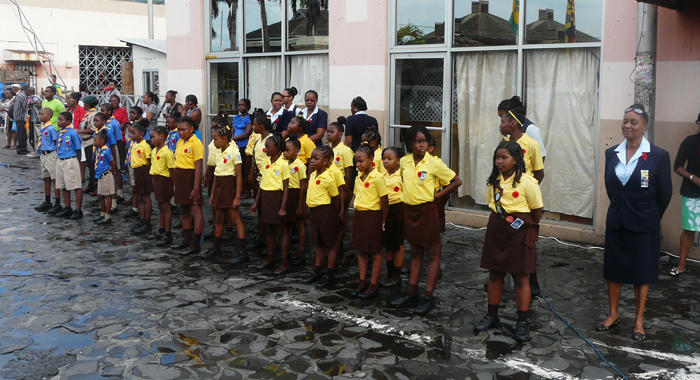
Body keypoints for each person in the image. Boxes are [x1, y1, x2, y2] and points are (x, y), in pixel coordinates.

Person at [598, 104, 672, 341]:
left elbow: (664, 194)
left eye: (633, 122)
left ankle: (639, 320)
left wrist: (649, 215)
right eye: (625, 121)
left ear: (645, 126)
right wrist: (623, 209)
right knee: (614, 270)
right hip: (617, 221)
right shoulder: (612, 153)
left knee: (643, 272)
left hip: (644, 224)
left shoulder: (658, 155)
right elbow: (612, 188)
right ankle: (613, 314)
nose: (627, 125)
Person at [474, 141, 543, 342]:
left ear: (516, 159)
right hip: (497, 229)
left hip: (519, 231)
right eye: (497, 157)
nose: (500, 161)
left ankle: (521, 322)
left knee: (521, 277)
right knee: (495, 274)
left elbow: (537, 210)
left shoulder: (528, 182)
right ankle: (492, 316)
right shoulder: (494, 180)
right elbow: (492, 204)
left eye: (504, 158)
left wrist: (524, 228)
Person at [390, 126, 462, 316]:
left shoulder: (434, 163)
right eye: (418, 141)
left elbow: (456, 181)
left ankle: (428, 295)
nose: (422, 145)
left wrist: (438, 196)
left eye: (425, 141)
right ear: (410, 144)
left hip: (427, 211)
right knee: (415, 253)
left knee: (432, 254)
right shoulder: (404, 162)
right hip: (409, 211)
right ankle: (412, 292)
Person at [203, 123, 248, 263]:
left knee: (235, 219)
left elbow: (239, 176)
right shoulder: (218, 152)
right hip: (219, 187)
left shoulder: (234, 152)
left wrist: (237, 196)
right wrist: (212, 194)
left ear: (224, 139)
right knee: (218, 218)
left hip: (229, 187)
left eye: (216, 139)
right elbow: (216, 173)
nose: (214, 142)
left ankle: (243, 252)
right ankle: (216, 248)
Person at [350, 145, 389, 299]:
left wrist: (383, 220)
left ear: (371, 159)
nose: (357, 165)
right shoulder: (357, 177)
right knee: (361, 250)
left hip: (373, 216)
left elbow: (384, 202)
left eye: (361, 161)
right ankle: (362, 282)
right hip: (360, 216)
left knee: (375, 251)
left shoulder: (378, 178)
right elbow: (356, 196)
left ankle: (373, 284)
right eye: (356, 162)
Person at [302, 146, 342, 288]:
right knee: (319, 244)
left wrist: (333, 213)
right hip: (314, 213)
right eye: (311, 158)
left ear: (325, 161)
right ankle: (317, 271)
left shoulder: (329, 178)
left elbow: (335, 198)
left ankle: (329, 274)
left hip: (326, 212)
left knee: (330, 244)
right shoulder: (313, 175)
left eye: (316, 159)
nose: (312, 161)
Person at [251, 134, 291, 272]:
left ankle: (284, 261)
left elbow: (286, 188)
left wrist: (283, 207)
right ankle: (270, 257)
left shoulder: (283, 164)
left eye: (268, 147)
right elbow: (262, 183)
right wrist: (256, 202)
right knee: (269, 230)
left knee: (281, 231)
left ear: (277, 148)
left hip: (277, 198)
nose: (265, 149)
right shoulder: (266, 162)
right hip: (266, 198)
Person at [171, 116, 205, 255]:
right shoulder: (179, 143)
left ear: (192, 129)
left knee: (195, 211)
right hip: (180, 178)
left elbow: (198, 168)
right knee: (184, 210)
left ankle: (195, 243)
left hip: (191, 178)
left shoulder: (195, 143)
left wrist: (196, 188)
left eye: (184, 129)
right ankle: (186, 240)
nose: (180, 132)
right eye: (179, 129)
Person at [672, 113, 700, 276]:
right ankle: (681, 264)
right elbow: (677, 166)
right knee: (689, 229)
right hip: (692, 193)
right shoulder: (690, 141)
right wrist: (693, 177)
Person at [327, 117, 354, 254]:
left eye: (332, 132)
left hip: (341, 187)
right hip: (328, 188)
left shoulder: (345, 150)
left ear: (340, 134)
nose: (328, 134)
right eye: (328, 132)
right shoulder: (327, 149)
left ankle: (340, 241)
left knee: (341, 215)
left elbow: (349, 170)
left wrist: (346, 190)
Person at [381, 147, 406, 287]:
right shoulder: (381, 175)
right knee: (388, 244)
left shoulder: (402, 176)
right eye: (384, 158)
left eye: (390, 159)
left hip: (398, 210)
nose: (386, 161)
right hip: (385, 211)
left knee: (397, 244)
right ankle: (389, 273)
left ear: (398, 161)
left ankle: (397, 275)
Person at [501, 107, 544, 183]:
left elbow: (539, 174)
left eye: (502, 122)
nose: (500, 126)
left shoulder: (532, 144)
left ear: (513, 124)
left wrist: (529, 188)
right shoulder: (503, 144)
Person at [53, 112, 84, 220]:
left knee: (75, 185)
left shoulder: (73, 133)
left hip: (70, 160)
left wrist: (78, 163)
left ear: (68, 122)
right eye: (58, 119)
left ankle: (78, 209)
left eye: (61, 120)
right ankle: (67, 207)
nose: (58, 121)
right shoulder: (59, 133)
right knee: (64, 185)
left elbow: (78, 149)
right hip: (61, 160)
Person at [149, 126, 176, 247]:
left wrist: (173, 186)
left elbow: (172, 171)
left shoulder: (167, 152)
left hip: (164, 180)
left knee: (166, 206)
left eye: (153, 137)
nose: (151, 140)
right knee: (160, 205)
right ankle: (161, 229)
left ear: (162, 137)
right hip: (156, 179)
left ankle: (168, 233)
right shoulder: (154, 150)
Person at [498, 96, 547, 161]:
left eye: (504, 118)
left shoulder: (530, 128)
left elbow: (541, 155)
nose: (502, 122)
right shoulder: (508, 131)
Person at [284, 136, 308, 266]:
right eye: (284, 150)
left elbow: (303, 185)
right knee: (287, 226)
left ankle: (301, 252)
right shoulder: (283, 163)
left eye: (288, 150)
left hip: (297, 196)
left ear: (297, 151)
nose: (285, 153)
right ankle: (285, 253)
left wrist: (300, 205)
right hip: (287, 196)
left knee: (300, 226)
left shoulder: (300, 165)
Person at [128, 122, 153, 235]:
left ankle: (147, 222)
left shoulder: (145, 146)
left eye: (133, 133)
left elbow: (149, 161)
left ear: (141, 134)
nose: (131, 135)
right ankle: (142, 220)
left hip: (144, 171)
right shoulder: (135, 144)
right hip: (137, 171)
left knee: (146, 197)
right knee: (141, 197)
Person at [34, 108, 60, 213]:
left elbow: (56, 141)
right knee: (46, 178)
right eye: (40, 114)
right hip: (43, 154)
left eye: (42, 114)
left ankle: (57, 202)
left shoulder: (51, 128)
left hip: (51, 154)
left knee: (54, 178)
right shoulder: (42, 127)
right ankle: (47, 201)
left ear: (49, 116)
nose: (40, 116)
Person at [100, 104, 124, 205]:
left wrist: (119, 153)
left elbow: (119, 139)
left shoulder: (114, 123)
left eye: (103, 110)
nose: (101, 112)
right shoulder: (103, 124)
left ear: (109, 112)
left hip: (113, 149)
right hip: (105, 151)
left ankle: (120, 193)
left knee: (117, 170)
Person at [93, 130, 117, 225]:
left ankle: (107, 216)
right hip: (100, 175)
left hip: (106, 175)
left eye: (95, 140)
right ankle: (102, 213)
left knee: (107, 196)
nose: (94, 142)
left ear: (101, 141)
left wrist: (113, 175)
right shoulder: (100, 151)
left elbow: (112, 163)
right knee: (100, 195)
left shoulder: (106, 151)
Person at [77, 96, 99, 194]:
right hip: (85, 141)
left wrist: (80, 131)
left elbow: (93, 129)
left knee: (92, 165)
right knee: (89, 165)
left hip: (91, 141)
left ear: (88, 104)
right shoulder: (88, 113)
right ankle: (91, 185)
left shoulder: (94, 114)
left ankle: (95, 186)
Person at [233, 99, 253, 197]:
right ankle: (238, 189)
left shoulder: (249, 118)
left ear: (247, 106)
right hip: (235, 146)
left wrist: (233, 138)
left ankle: (246, 190)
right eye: (239, 105)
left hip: (244, 145)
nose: (240, 107)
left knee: (244, 168)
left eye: (243, 105)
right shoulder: (236, 117)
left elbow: (246, 134)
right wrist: (232, 140)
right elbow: (233, 129)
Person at [110, 95, 129, 172]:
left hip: (120, 136)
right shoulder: (109, 111)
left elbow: (124, 123)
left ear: (119, 102)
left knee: (120, 155)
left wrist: (115, 131)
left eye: (115, 101)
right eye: (112, 101)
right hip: (110, 137)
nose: (114, 102)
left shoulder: (122, 110)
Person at [13, 86, 29, 155]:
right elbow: (25, 106)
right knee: (21, 133)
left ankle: (23, 148)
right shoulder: (23, 96)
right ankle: (21, 149)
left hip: (18, 116)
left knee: (22, 133)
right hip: (21, 117)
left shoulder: (19, 95)